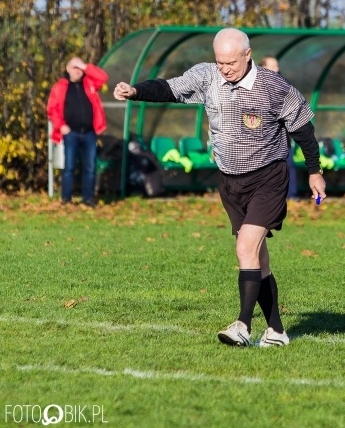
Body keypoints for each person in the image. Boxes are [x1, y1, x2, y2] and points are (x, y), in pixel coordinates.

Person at [114, 28, 326, 348]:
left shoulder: (273, 86)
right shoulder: (207, 76)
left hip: (268, 176)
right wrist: (135, 90)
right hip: (230, 179)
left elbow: (304, 130)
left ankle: (242, 325)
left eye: (230, 62)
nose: (224, 69)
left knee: (245, 247)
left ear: (247, 54)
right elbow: (170, 88)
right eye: (220, 62)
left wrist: (314, 172)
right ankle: (278, 332)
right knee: (258, 258)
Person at [47, 57, 109, 207]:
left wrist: (84, 65)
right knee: (69, 167)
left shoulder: (89, 84)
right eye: (74, 67)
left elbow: (103, 77)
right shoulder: (60, 87)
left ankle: (88, 198)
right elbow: (52, 109)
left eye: (80, 68)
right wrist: (60, 126)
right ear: (68, 69)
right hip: (71, 133)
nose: (78, 71)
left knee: (90, 167)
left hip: (89, 133)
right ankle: (66, 199)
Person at [260, 56, 299, 200]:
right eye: (273, 66)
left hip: (282, 134)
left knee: (288, 165)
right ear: (263, 68)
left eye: (277, 66)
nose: (277, 69)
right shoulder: (253, 86)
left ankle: (292, 195)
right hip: (262, 137)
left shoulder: (284, 85)